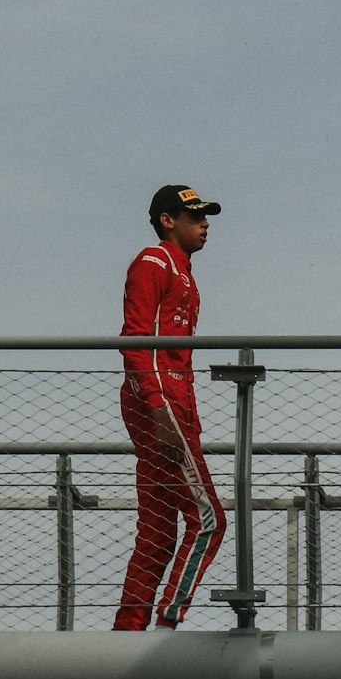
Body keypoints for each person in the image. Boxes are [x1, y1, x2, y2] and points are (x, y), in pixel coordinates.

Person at [114, 183, 226, 630]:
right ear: (168, 220)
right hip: (160, 400)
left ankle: (127, 634)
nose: (205, 225)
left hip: (172, 401)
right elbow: (136, 339)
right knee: (208, 520)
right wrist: (159, 408)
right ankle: (167, 625)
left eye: (206, 217)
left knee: (158, 532)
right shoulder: (153, 261)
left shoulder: (183, 271)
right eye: (195, 216)